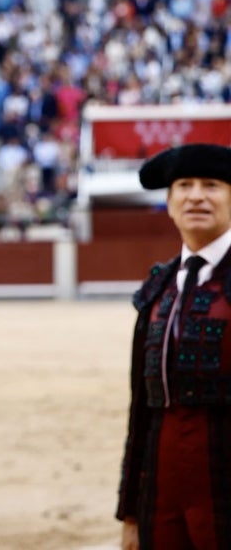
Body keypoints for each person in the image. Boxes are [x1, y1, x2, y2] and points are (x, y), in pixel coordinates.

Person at [118, 143, 231, 550]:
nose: (196, 196)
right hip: (162, 496)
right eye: (184, 185)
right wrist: (131, 512)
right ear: (168, 202)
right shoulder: (158, 288)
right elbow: (142, 410)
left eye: (212, 185)